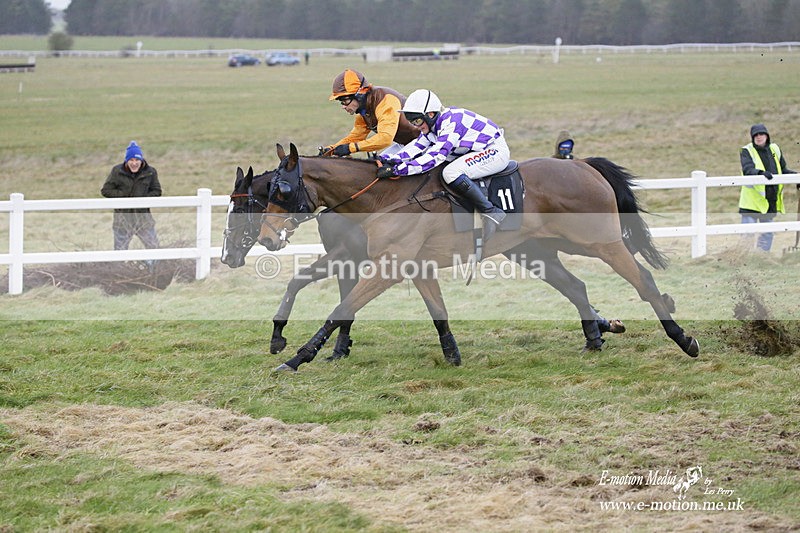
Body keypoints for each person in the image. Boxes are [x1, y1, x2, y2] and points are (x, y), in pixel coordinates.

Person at [376, 89, 509, 240]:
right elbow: (417, 147)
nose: (416, 126)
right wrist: (390, 159)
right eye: (412, 122)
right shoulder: (433, 125)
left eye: (417, 121)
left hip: (494, 150)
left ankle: (491, 211)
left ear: (431, 114)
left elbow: (435, 157)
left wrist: (398, 170)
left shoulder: (452, 123)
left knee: (450, 172)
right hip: (474, 150)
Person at [321, 69, 420, 158]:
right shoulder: (364, 111)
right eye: (341, 102)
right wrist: (331, 149)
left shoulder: (386, 101)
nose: (343, 106)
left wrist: (351, 148)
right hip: (406, 144)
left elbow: (385, 138)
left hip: (424, 143)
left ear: (359, 95)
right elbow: (356, 137)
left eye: (345, 101)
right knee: (377, 165)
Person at [738, 123, 795, 252]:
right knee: (748, 234)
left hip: (769, 201)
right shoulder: (747, 151)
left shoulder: (775, 149)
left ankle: (761, 258)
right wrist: (760, 173)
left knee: (767, 234)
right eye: (756, 135)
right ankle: (743, 258)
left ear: (767, 136)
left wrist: (796, 177)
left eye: (761, 134)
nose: (759, 137)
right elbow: (747, 169)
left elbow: (782, 169)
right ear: (752, 137)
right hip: (751, 202)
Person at [101, 141, 162, 253]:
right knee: (120, 253)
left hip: (143, 219)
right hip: (122, 221)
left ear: (141, 160)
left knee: (154, 249)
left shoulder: (150, 172)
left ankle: (151, 265)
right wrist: (124, 196)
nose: (134, 163)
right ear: (126, 160)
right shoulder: (117, 171)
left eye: (137, 160)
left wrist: (142, 199)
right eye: (131, 160)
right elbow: (106, 191)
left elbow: (157, 191)